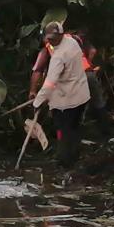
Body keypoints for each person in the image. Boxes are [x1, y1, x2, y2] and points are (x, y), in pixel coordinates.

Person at [29, 27, 111, 137]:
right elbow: (92, 51)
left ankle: (65, 138)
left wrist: (33, 91)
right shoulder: (74, 39)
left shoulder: (48, 48)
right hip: (87, 74)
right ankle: (107, 133)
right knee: (98, 102)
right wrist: (88, 66)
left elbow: (38, 71)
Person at [32, 21, 91, 167]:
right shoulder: (72, 42)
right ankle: (74, 156)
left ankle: (65, 161)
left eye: (54, 37)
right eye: (49, 37)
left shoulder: (59, 56)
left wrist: (37, 102)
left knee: (63, 130)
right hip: (81, 94)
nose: (51, 40)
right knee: (74, 127)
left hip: (67, 100)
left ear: (61, 35)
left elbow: (49, 83)